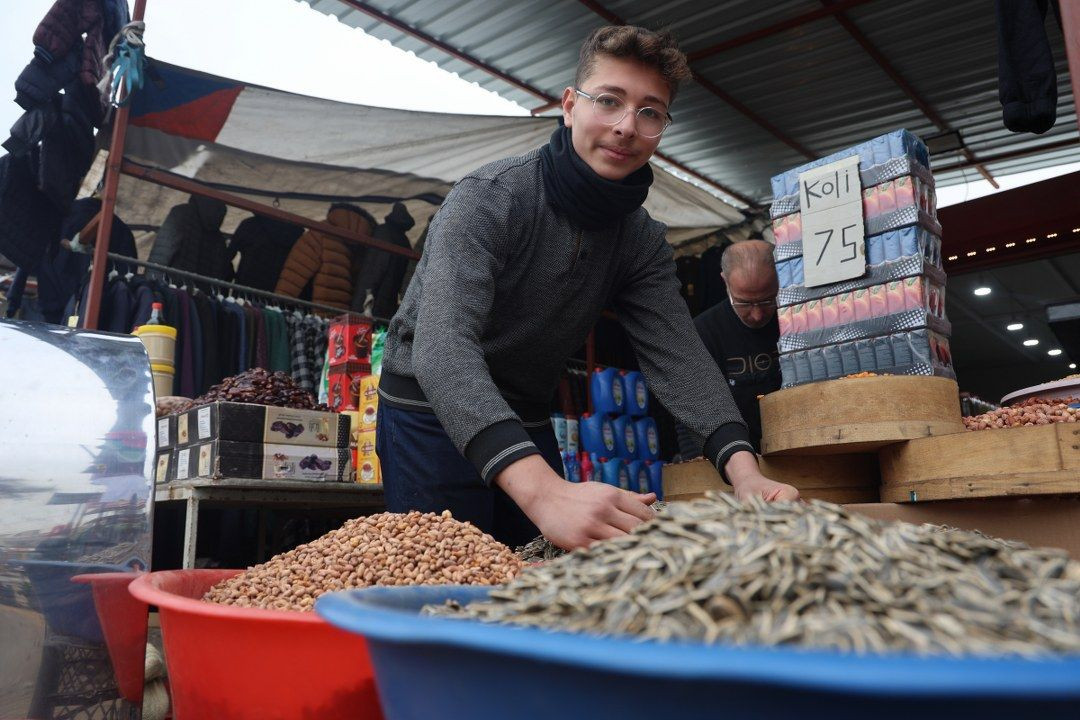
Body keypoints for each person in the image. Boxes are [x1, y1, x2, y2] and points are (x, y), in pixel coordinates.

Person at [377, 25, 800, 551]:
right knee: (442, 585)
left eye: (649, 112)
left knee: (541, 583)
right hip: (428, 412)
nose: (626, 126)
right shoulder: (489, 199)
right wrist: (546, 493)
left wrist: (745, 472)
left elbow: (681, 358)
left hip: (526, 414)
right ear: (570, 105)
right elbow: (443, 352)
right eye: (609, 101)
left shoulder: (640, 239)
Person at [675, 240, 781, 458]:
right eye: (745, 303)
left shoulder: (797, 318)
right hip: (736, 460)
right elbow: (689, 409)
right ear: (724, 281)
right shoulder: (703, 332)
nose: (757, 314)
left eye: (767, 300)